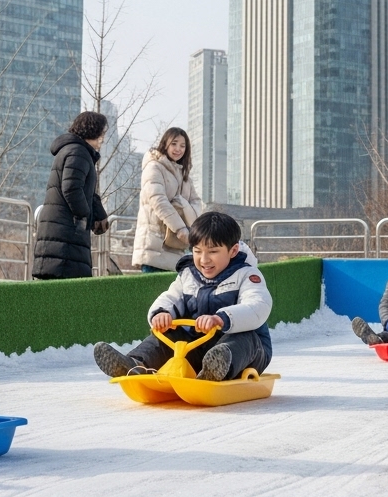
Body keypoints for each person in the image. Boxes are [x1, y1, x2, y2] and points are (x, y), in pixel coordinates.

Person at [93, 212, 272, 383]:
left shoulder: (247, 275)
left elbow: (258, 306)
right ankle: (135, 364)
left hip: (247, 352)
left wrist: (221, 318)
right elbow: (171, 297)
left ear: (233, 251)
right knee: (168, 334)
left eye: (213, 252)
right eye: (197, 251)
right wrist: (162, 313)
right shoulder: (188, 275)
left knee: (243, 337)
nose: (204, 259)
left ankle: (219, 367)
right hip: (197, 347)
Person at [32, 111, 110, 280]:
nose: (103, 139)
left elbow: (84, 189)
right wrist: (84, 216)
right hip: (66, 234)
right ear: (92, 130)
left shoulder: (76, 151)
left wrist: (98, 213)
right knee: (66, 290)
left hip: (62, 233)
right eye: (101, 133)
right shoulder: (78, 152)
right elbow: (71, 188)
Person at [132, 127, 205, 274]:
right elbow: (158, 200)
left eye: (182, 146)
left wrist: (184, 206)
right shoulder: (154, 167)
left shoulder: (184, 175)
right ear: (165, 143)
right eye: (174, 143)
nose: (178, 149)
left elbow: (197, 203)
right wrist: (180, 228)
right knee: (154, 294)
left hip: (177, 247)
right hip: (155, 244)